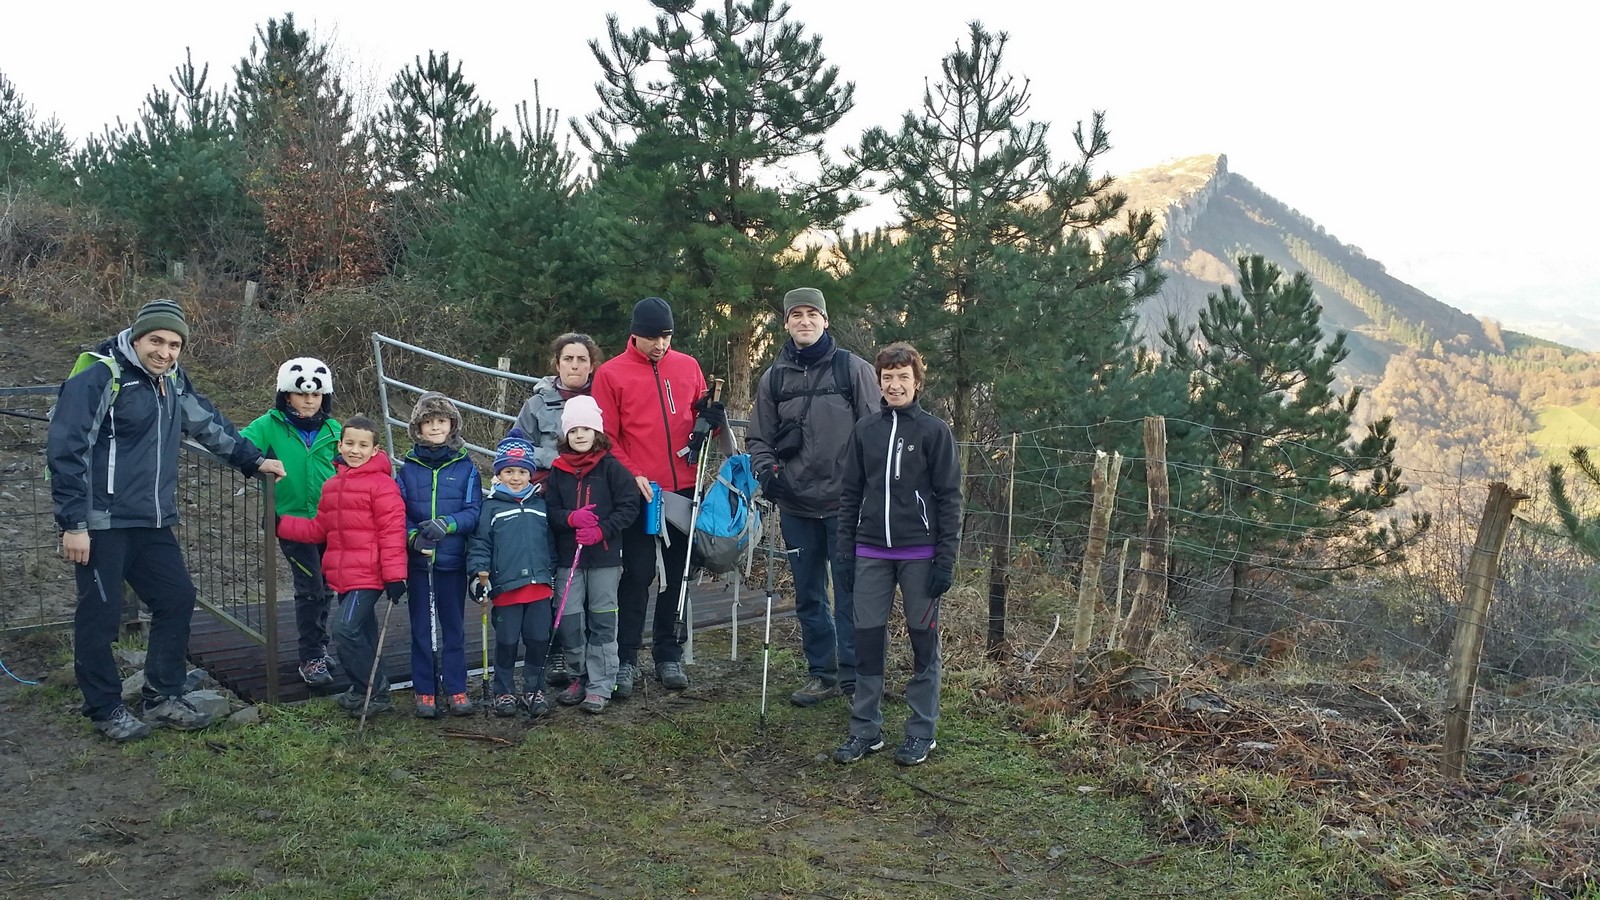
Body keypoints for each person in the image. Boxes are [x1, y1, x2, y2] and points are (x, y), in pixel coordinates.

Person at [47, 298, 286, 742]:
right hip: (101, 521)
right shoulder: (101, 377)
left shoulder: (171, 379)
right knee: (101, 616)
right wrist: (73, 524)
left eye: (174, 344)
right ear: (137, 338)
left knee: (176, 598)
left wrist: (252, 460)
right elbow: (67, 451)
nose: (164, 352)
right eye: (156, 341)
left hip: (152, 518)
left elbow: (207, 423)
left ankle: (162, 695)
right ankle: (105, 707)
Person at [747, 287, 881, 707]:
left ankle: (855, 678)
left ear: (825, 320)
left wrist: (868, 489)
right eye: (796, 315)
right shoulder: (773, 379)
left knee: (851, 593)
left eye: (812, 314)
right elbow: (758, 437)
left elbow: (876, 431)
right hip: (796, 505)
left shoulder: (853, 370)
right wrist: (766, 472)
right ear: (786, 323)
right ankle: (821, 673)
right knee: (808, 594)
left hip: (847, 507)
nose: (804, 321)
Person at [591, 297, 732, 695]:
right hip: (638, 491)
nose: (660, 345)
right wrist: (633, 473)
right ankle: (626, 658)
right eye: (652, 337)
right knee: (638, 575)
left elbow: (701, 423)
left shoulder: (688, 366)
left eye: (666, 336)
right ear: (635, 334)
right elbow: (606, 437)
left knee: (677, 574)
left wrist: (713, 419)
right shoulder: (611, 374)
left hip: (684, 487)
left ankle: (668, 654)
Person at [831, 343, 961, 767]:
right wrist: (845, 551)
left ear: (917, 382)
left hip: (920, 554)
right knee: (867, 642)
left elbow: (950, 499)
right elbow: (850, 493)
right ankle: (865, 730)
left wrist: (945, 559)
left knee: (924, 643)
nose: (895, 385)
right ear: (879, 382)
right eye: (887, 377)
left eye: (903, 377)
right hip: (869, 550)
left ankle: (921, 732)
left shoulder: (934, 432)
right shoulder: (865, 430)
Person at [277, 416, 409, 717]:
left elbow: (392, 532)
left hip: (370, 574)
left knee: (344, 629)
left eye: (363, 445)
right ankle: (370, 690)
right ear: (339, 445)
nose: (355, 450)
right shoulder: (332, 485)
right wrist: (282, 524)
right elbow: (319, 529)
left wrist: (395, 576)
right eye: (349, 443)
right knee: (363, 634)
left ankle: (370, 690)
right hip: (344, 574)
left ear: (375, 450)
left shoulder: (382, 486)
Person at [240, 357, 342, 688]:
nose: (309, 400)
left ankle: (320, 645)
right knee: (310, 587)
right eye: (301, 394)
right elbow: (239, 447)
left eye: (315, 395)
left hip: (329, 521)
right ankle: (310, 656)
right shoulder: (267, 426)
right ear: (286, 395)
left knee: (326, 585)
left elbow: (355, 463)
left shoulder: (334, 430)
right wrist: (257, 462)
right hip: (291, 521)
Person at [507, 333, 603, 688]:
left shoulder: (603, 399)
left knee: (593, 577)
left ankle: (595, 652)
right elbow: (516, 446)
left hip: (593, 501)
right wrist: (557, 460)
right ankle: (558, 649)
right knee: (554, 573)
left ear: (592, 364)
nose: (575, 366)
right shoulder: (536, 404)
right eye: (568, 359)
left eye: (582, 359)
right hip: (549, 499)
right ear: (557, 364)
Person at [543, 395, 640, 714]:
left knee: (602, 620)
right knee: (569, 619)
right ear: (566, 435)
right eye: (573, 430)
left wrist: (602, 530)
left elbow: (629, 507)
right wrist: (570, 519)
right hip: (568, 558)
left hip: (604, 559)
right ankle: (579, 675)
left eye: (585, 429)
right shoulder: (558, 471)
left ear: (596, 432)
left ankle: (601, 683)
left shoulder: (612, 468)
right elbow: (550, 511)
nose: (579, 435)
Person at [397, 392, 483, 718]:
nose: (435, 427)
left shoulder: (466, 468)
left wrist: (448, 524)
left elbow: (473, 511)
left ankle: (456, 687)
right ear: (418, 428)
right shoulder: (407, 470)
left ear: (452, 425)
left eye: (441, 421)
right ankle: (425, 689)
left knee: (453, 627)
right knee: (422, 628)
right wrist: (413, 537)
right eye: (428, 422)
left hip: (451, 562)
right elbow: (398, 512)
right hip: (421, 563)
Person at [467, 437, 558, 718]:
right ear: (499, 474)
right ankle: (503, 691)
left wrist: (553, 571)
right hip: (506, 589)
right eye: (509, 471)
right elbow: (480, 545)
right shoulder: (490, 507)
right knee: (507, 642)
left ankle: (534, 689)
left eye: (521, 471)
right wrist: (476, 575)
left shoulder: (541, 505)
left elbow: (551, 544)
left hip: (540, 588)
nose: (516, 478)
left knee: (538, 640)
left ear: (530, 474)